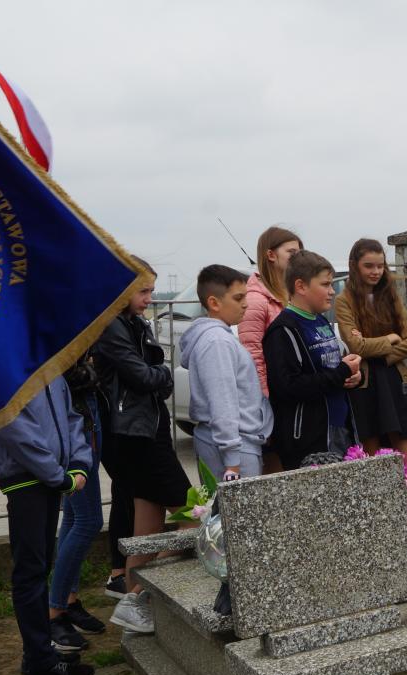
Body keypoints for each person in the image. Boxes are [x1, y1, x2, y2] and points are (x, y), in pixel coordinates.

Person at [94, 260, 192, 634]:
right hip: (136, 435)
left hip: (146, 429)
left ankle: (133, 603)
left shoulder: (134, 322)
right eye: (144, 291)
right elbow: (142, 375)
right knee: (194, 518)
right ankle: (139, 597)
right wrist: (161, 375)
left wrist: (159, 376)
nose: (149, 299)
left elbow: (155, 376)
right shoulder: (111, 325)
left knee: (146, 529)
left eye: (152, 290)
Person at [0, 377, 95, 675]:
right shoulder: (7, 370)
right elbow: (12, 426)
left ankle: (37, 652)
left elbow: (71, 416)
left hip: (50, 475)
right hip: (25, 477)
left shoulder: (49, 369)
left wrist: (78, 462)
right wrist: (56, 474)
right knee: (30, 570)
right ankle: (41, 664)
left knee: (42, 564)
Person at [264, 250, 364, 470]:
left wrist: (354, 377)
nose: (332, 291)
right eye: (325, 285)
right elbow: (287, 386)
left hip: (339, 426)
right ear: (301, 286)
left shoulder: (320, 320)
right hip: (309, 438)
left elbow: (331, 369)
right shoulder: (283, 330)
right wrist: (341, 372)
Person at [180, 265, 274, 482]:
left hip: (238, 444)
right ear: (214, 303)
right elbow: (223, 401)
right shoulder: (217, 342)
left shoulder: (221, 338)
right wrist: (232, 460)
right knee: (235, 506)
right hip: (233, 450)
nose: (246, 303)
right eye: (238, 298)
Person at [335, 239, 407, 466]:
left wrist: (381, 352)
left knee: (406, 441)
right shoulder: (344, 300)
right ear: (354, 265)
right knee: (371, 452)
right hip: (364, 380)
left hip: (394, 374)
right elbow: (356, 347)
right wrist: (390, 338)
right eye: (369, 266)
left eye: (380, 266)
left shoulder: (390, 295)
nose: (376, 271)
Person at [48, 356, 107, 651]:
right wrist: (89, 369)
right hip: (76, 421)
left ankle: (67, 601)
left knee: (74, 517)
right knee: (89, 520)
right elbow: (63, 371)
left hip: (85, 413)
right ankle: (54, 612)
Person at [240, 226, 303, 474]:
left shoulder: (289, 293)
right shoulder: (256, 299)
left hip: (290, 391)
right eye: (292, 252)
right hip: (271, 397)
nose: (298, 257)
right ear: (270, 255)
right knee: (273, 468)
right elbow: (252, 352)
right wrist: (263, 400)